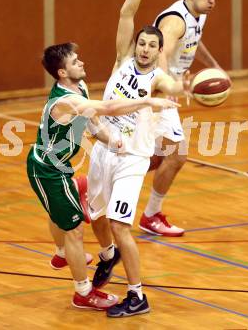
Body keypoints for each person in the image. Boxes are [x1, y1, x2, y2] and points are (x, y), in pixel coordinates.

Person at [26, 42, 178, 311]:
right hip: (47, 170)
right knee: (74, 230)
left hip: (60, 168)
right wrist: (147, 100)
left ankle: (62, 253)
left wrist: (111, 140)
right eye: (75, 61)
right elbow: (107, 108)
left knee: (62, 213)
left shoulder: (79, 89)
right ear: (62, 73)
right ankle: (82, 293)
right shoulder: (66, 100)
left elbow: (94, 123)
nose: (81, 63)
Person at [87, 0, 190, 317]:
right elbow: (126, 13)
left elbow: (173, 87)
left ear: (160, 50)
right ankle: (107, 256)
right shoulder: (122, 60)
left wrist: (185, 87)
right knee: (95, 216)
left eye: (152, 45)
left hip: (131, 158)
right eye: (142, 43)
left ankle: (137, 295)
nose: (146, 48)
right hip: (102, 150)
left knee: (119, 224)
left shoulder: (157, 78)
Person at [139, 0, 221, 237]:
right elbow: (161, 53)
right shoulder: (175, 20)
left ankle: (92, 192)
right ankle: (151, 215)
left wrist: (215, 67)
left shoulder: (197, 17)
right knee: (177, 156)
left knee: (152, 157)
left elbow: (193, 44)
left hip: (162, 89)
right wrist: (166, 88)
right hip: (157, 91)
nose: (212, 1)